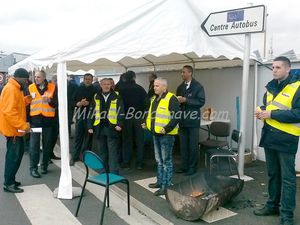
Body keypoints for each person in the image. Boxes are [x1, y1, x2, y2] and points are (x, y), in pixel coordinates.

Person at [254, 56, 299, 225]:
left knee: (288, 179)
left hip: (287, 139)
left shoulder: (298, 87)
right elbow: (270, 107)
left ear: (288, 69)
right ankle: (272, 205)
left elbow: (298, 113)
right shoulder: (271, 88)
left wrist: (271, 114)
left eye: (278, 67)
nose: (274, 70)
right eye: (273, 67)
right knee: (273, 175)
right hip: (270, 137)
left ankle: (287, 215)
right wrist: (262, 111)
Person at [142, 77, 179, 196]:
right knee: (159, 161)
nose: (154, 87)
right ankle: (160, 182)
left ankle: (166, 186)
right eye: (154, 86)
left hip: (166, 135)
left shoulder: (171, 98)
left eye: (157, 86)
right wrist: (146, 124)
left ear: (164, 87)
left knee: (166, 161)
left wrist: (166, 129)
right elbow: (152, 115)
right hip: (156, 134)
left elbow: (176, 117)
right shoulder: (155, 98)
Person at [0, 68, 31, 193]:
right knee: (13, 157)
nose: (27, 81)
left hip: (15, 130)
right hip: (13, 130)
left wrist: (26, 100)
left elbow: (15, 105)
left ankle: (10, 180)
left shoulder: (14, 88)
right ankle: (8, 183)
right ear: (20, 77)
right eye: (26, 79)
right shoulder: (11, 89)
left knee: (16, 156)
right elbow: (10, 111)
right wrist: (23, 126)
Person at [88, 78, 124, 174]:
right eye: (104, 84)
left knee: (112, 152)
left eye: (108, 84)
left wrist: (120, 124)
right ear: (101, 85)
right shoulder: (96, 96)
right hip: (99, 128)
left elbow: (121, 111)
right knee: (102, 152)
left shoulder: (116, 96)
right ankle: (103, 172)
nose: (106, 86)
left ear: (111, 85)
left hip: (112, 127)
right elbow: (91, 112)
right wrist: (89, 126)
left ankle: (113, 173)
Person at [176, 65, 205, 176]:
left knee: (193, 145)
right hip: (182, 120)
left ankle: (192, 167)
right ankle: (184, 166)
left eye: (184, 72)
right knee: (183, 145)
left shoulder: (198, 87)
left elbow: (201, 101)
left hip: (193, 120)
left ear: (190, 73)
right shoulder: (180, 87)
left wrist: (186, 100)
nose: (182, 74)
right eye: (181, 72)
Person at [28, 70, 58, 178]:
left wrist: (49, 101)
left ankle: (44, 166)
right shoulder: (30, 87)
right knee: (33, 147)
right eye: (35, 77)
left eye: (39, 77)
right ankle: (33, 168)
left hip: (48, 122)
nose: (36, 79)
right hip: (35, 122)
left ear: (44, 77)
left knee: (47, 146)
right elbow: (27, 105)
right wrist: (27, 121)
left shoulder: (53, 87)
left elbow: (56, 104)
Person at [118, 71, 148, 169]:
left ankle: (126, 161)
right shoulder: (140, 89)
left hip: (126, 117)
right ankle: (139, 163)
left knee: (127, 140)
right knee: (139, 140)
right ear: (134, 78)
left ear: (125, 78)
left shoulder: (120, 89)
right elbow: (147, 103)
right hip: (138, 117)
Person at [70, 73, 96, 166]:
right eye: (86, 79)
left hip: (91, 116)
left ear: (92, 80)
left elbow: (99, 102)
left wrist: (90, 103)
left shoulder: (96, 90)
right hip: (80, 115)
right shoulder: (79, 89)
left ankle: (86, 157)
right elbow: (72, 101)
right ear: (83, 80)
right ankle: (74, 156)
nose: (88, 80)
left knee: (88, 138)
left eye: (89, 79)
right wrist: (79, 103)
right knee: (78, 137)